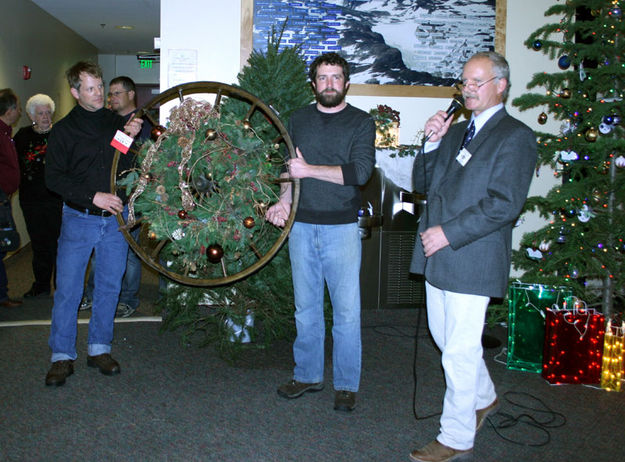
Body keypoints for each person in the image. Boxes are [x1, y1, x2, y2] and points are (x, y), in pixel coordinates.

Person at [408, 51, 537, 462]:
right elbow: (423, 184)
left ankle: (456, 436)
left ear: (501, 85)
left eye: (477, 82)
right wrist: (431, 144)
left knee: (460, 351)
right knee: (447, 341)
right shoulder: (460, 131)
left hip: (471, 255)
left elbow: (504, 204)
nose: (468, 90)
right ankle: (484, 397)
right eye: (465, 82)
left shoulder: (514, 136)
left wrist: (448, 232)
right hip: (438, 253)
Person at [265, 52, 375, 412]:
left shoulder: (361, 122)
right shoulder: (297, 119)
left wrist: (309, 169)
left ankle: (346, 384)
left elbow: (359, 173)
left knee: (346, 312)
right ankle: (308, 375)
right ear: (313, 83)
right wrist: (283, 201)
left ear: (346, 83)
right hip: (301, 226)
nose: (329, 84)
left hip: (341, 228)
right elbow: (289, 168)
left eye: (336, 77)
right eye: (323, 78)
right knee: (306, 308)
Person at [44, 62, 143, 387]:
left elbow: (122, 164)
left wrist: (128, 138)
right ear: (75, 92)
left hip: (113, 220)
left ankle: (99, 348)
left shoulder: (116, 123)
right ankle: (61, 356)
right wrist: (93, 196)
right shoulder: (64, 130)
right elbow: (54, 178)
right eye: (90, 88)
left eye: (100, 86)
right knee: (69, 291)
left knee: (109, 288)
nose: (99, 93)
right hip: (78, 219)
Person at [80, 76, 151, 317]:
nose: (110, 98)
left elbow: (143, 159)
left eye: (115, 93)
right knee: (99, 251)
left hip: (134, 198)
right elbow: (112, 156)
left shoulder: (147, 123)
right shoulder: (107, 121)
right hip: (106, 198)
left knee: (129, 252)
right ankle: (92, 294)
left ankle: (128, 299)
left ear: (131, 94)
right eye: (108, 93)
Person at [14, 94, 63, 298]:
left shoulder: (59, 134)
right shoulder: (22, 136)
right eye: (41, 113)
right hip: (31, 200)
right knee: (39, 244)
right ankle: (41, 284)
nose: (45, 117)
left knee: (59, 244)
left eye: (48, 113)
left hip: (57, 200)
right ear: (31, 116)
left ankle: (61, 286)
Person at [0, 89, 23, 308]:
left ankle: (2, 295)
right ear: (9, 110)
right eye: (17, 107)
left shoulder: (6, 134)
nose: (20, 111)